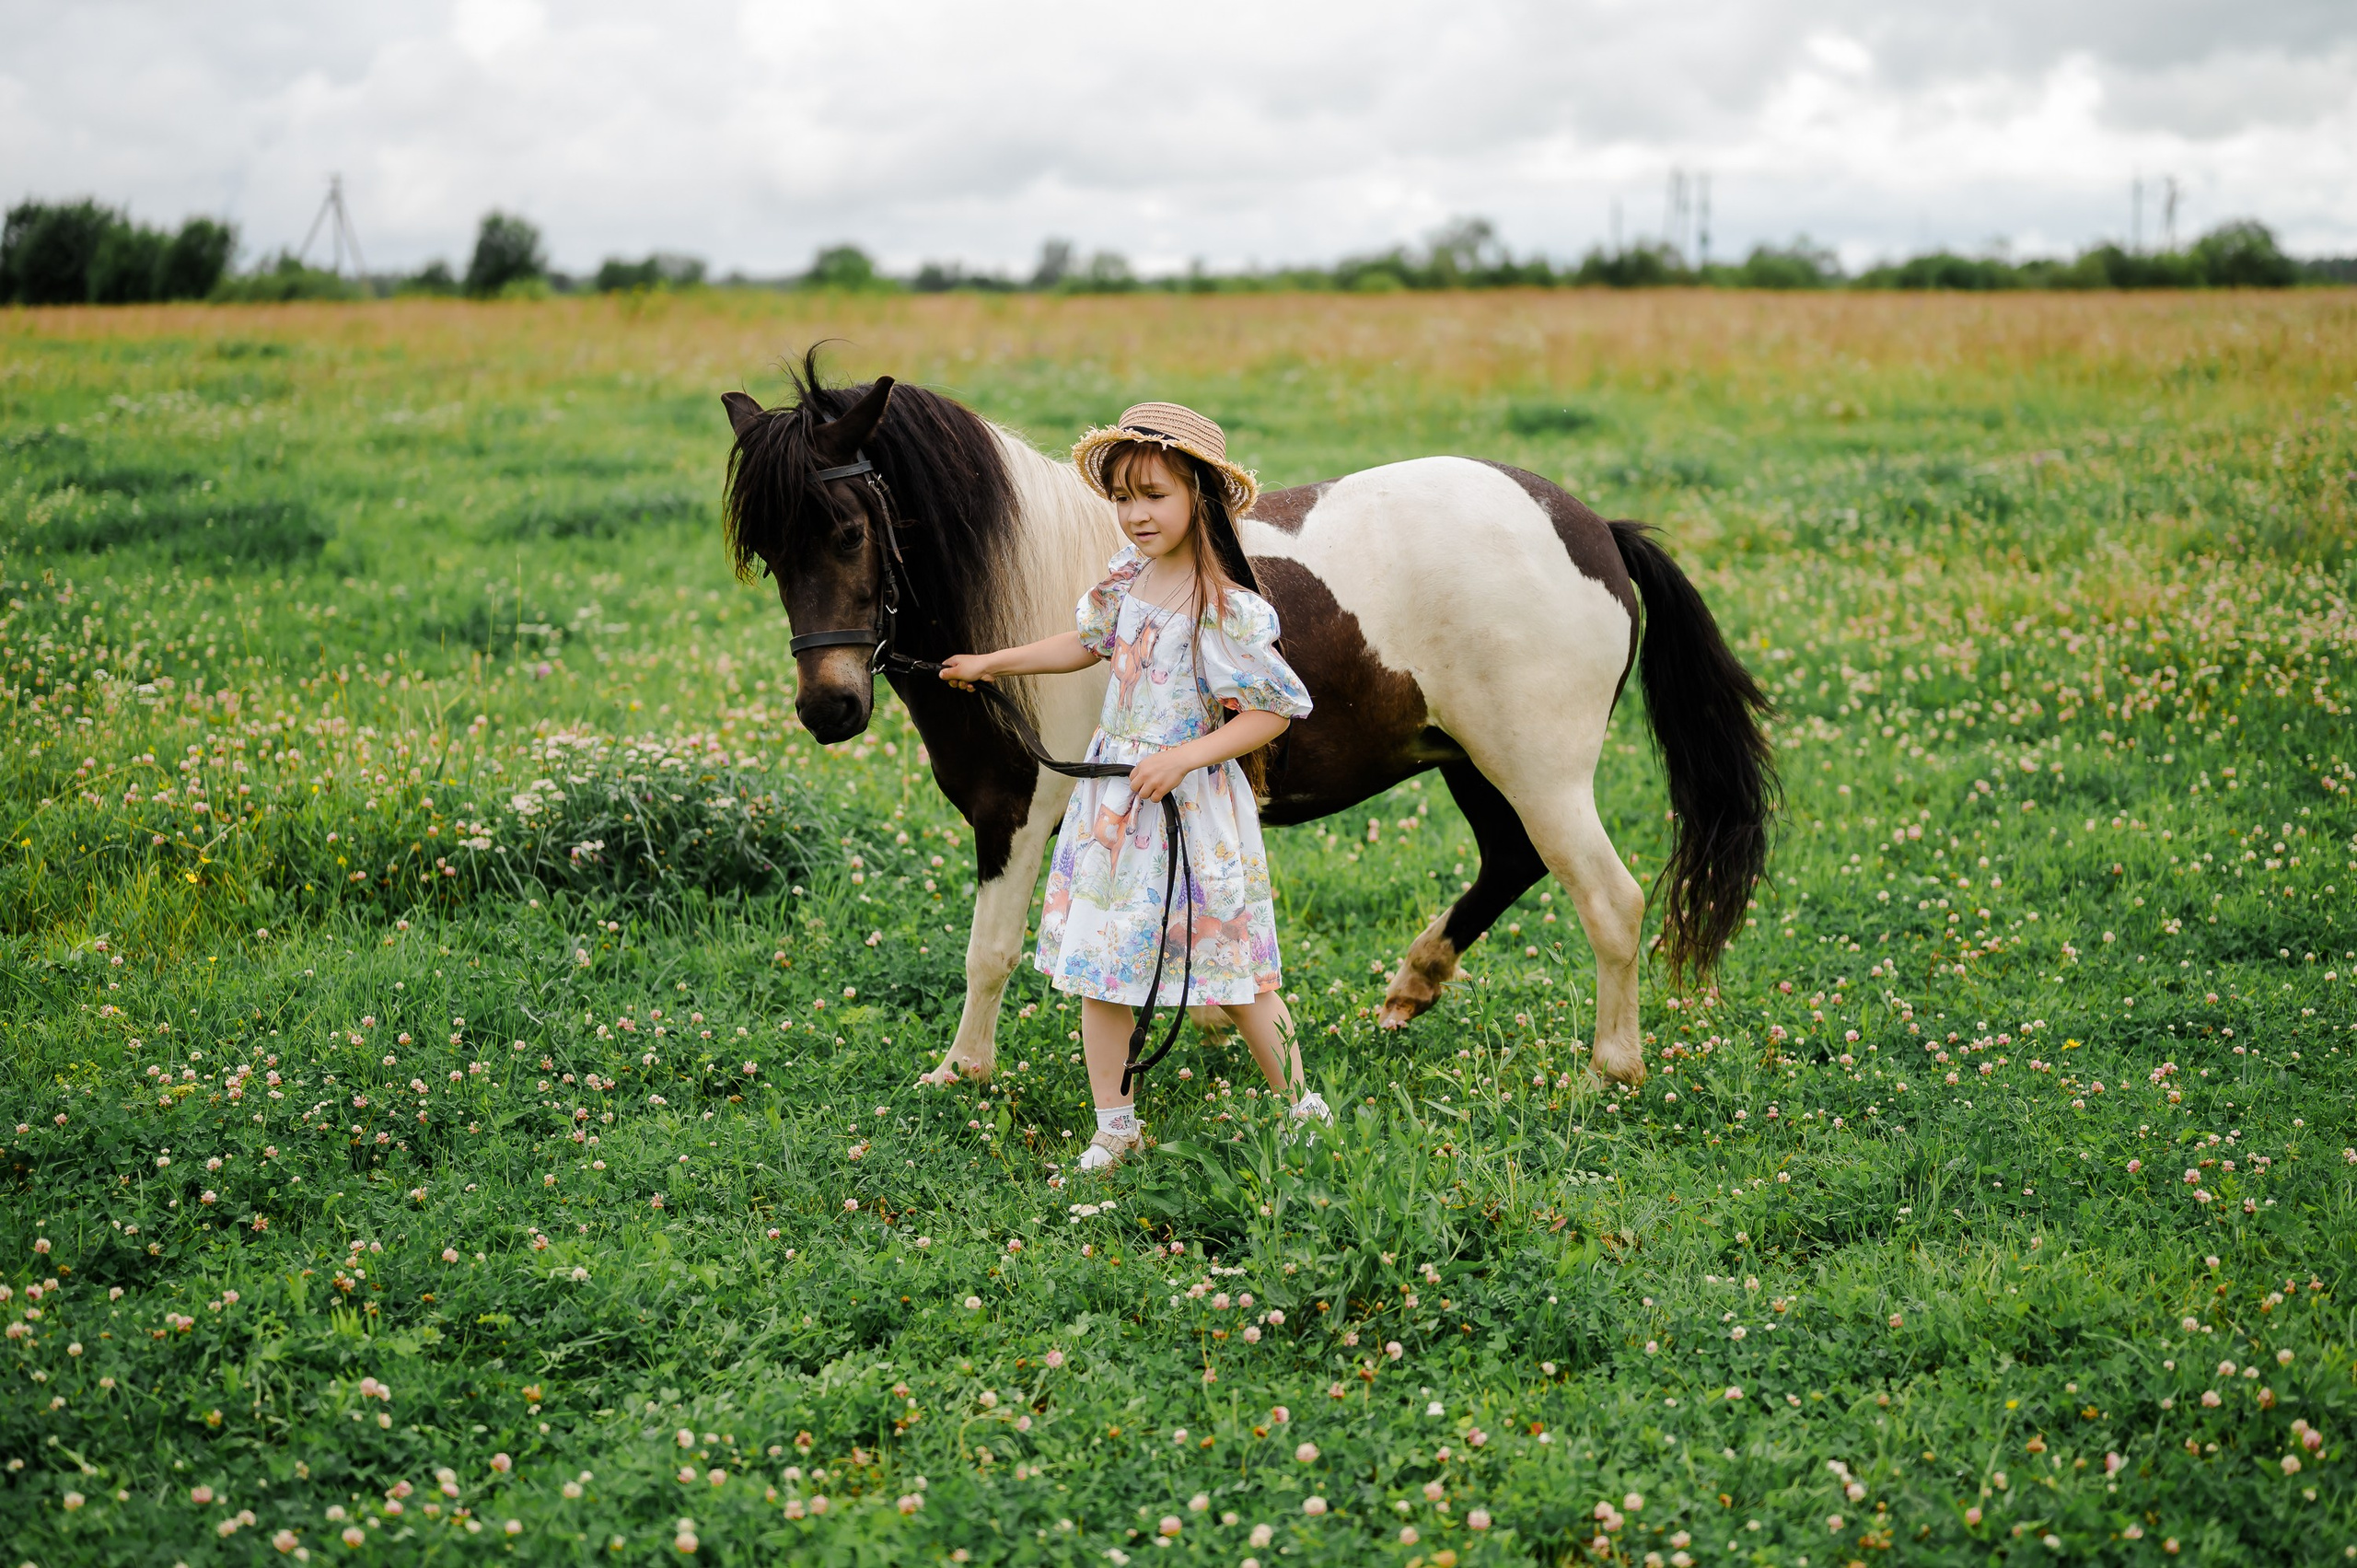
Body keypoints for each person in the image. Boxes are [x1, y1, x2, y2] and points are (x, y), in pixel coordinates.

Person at [938, 402, 1327, 1171]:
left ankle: (1299, 1106)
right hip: (1117, 809)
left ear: (1200, 497)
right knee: (1104, 965)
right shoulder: (1128, 577)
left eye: (1153, 494)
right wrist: (992, 663)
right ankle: (1114, 1123)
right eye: (1121, 497)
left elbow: (1275, 711)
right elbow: (1084, 643)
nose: (1135, 514)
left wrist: (1186, 756)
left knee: (1239, 973)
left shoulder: (1226, 608)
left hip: (1192, 809)